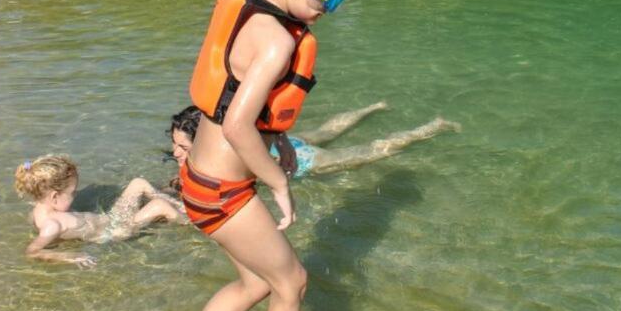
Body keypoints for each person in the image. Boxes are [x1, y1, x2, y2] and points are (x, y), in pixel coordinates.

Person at [181, 0, 359, 311]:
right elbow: (236, 125)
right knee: (291, 282)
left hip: (203, 180)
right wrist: (278, 182)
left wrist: (278, 138)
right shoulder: (276, 41)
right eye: (323, 0)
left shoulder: (251, 9)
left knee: (257, 282)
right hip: (222, 192)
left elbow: (239, 97)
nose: (327, 11)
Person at [169, 101, 461, 179]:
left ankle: (433, 126)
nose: (176, 152)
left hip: (305, 162)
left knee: (374, 151)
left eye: (183, 147)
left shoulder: (212, 162)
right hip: (286, 142)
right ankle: (374, 107)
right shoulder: (233, 134)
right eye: (175, 145)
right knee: (326, 130)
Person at [14, 154, 184, 267]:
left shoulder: (39, 210)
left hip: (111, 219)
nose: (75, 195)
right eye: (72, 193)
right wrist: (69, 257)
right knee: (159, 206)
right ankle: (189, 220)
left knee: (138, 183)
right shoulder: (52, 225)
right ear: (54, 197)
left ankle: (174, 198)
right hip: (115, 230)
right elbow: (32, 251)